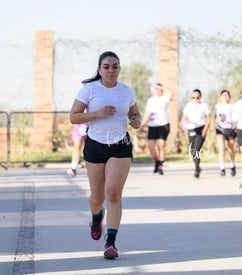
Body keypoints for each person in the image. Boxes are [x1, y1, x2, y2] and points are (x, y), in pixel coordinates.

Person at [69, 51, 141, 260]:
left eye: (115, 66)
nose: (111, 70)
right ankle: (96, 216)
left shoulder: (125, 91)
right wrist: (97, 114)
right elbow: (73, 117)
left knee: (113, 193)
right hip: (95, 146)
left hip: (120, 146)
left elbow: (134, 113)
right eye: (107, 67)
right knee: (96, 198)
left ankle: (111, 242)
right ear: (100, 69)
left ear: (119, 69)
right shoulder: (89, 89)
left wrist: (136, 120)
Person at [140, 83, 175, 175]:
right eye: (155, 89)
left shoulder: (165, 98)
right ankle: (156, 161)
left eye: (158, 89)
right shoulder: (151, 100)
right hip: (152, 125)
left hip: (163, 125)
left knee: (161, 146)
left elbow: (172, 93)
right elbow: (147, 113)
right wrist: (142, 125)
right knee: (151, 146)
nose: (157, 91)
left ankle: (160, 166)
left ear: (161, 90)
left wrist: (162, 87)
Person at [180, 89, 210, 179]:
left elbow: (208, 119)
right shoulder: (189, 106)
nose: (195, 99)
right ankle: (198, 166)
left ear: (200, 97)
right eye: (193, 97)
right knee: (192, 151)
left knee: (196, 149)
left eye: (197, 97)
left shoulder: (204, 106)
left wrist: (205, 129)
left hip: (201, 129)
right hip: (191, 129)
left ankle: (196, 170)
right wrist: (183, 124)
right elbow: (184, 118)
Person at [214, 89, 237, 177]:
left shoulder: (233, 106)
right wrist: (218, 119)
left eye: (227, 95)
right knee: (222, 148)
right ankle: (222, 168)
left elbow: (236, 118)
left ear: (229, 97)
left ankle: (232, 166)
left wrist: (234, 124)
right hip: (220, 129)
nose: (225, 96)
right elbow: (215, 119)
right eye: (223, 95)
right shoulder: (217, 106)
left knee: (231, 149)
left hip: (231, 129)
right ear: (220, 97)